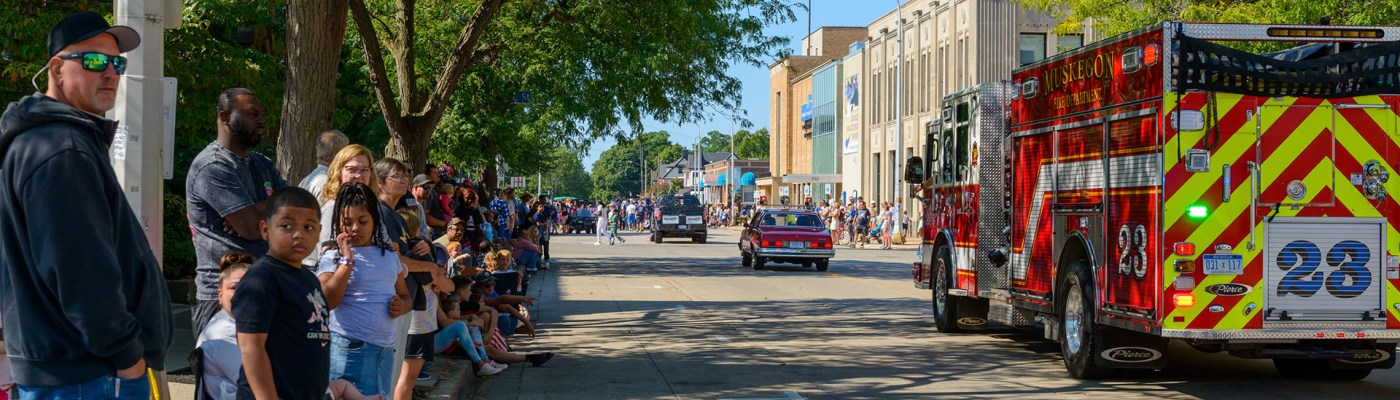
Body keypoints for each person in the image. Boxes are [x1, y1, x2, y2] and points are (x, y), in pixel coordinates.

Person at [0, 11, 171, 397]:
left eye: (117, 63)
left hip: (70, 369)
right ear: (56, 69)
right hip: (88, 373)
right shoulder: (62, 150)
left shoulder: (42, 141)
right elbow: (82, 271)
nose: (110, 73)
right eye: (93, 61)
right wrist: (127, 357)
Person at [187, 87, 288, 340]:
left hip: (264, 288)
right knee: (226, 368)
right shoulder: (212, 166)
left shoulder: (262, 164)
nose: (261, 121)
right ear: (225, 117)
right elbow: (252, 229)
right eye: (252, 114)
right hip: (223, 297)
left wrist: (257, 209)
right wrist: (267, 212)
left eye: (261, 114)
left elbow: (294, 207)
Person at [231, 186, 331, 400]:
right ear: (265, 229)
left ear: (319, 232)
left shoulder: (309, 279)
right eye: (286, 226)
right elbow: (251, 346)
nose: (299, 234)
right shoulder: (262, 278)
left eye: (309, 227)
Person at [316, 182, 410, 397]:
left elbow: (406, 296)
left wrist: (402, 305)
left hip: (385, 352)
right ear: (338, 223)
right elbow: (326, 301)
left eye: (363, 221)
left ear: (375, 220)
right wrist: (347, 260)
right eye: (347, 222)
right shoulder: (333, 257)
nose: (355, 228)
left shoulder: (388, 256)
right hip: (348, 348)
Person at [196, 252, 253, 399]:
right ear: (220, 295)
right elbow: (260, 383)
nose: (242, 292)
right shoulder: (223, 335)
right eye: (234, 287)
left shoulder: (242, 324)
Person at [298, 129, 349, 202]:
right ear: (340, 154)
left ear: (317, 150)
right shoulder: (329, 186)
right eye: (346, 153)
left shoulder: (306, 180)